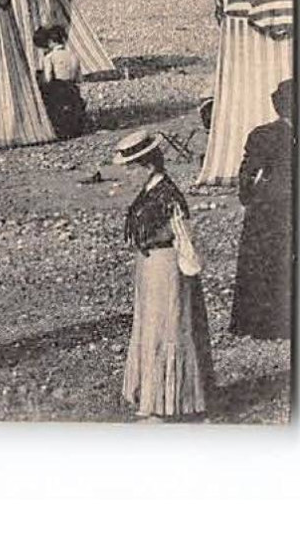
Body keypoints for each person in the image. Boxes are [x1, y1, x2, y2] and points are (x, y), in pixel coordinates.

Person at [114, 130, 214, 421]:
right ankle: (151, 396)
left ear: (145, 165)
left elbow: (183, 237)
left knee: (167, 327)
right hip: (150, 268)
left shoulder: (168, 195)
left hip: (167, 268)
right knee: (150, 326)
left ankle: (170, 402)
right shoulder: (149, 191)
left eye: (131, 168)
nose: (126, 176)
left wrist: (188, 272)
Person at [230, 80, 294, 340]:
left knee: (261, 266)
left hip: (266, 209)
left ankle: (260, 325)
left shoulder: (262, 134)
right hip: (280, 208)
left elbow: (247, 173)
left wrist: (248, 197)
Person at [36, 26, 86, 139]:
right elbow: (79, 78)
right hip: (72, 89)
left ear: (51, 41)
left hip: (57, 89)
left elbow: (48, 79)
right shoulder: (74, 56)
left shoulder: (50, 57)